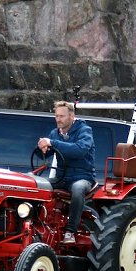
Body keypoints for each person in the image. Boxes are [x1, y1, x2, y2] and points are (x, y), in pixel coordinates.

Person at [37, 101, 96, 243]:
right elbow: (45, 155)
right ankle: (37, 225)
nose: (58, 119)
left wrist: (53, 143)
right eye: (56, 116)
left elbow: (79, 150)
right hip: (62, 178)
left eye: (62, 116)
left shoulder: (84, 131)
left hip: (83, 177)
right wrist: (41, 148)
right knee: (36, 184)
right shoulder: (55, 133)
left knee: (78, 189)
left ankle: (71, 231)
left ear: (71, 116)